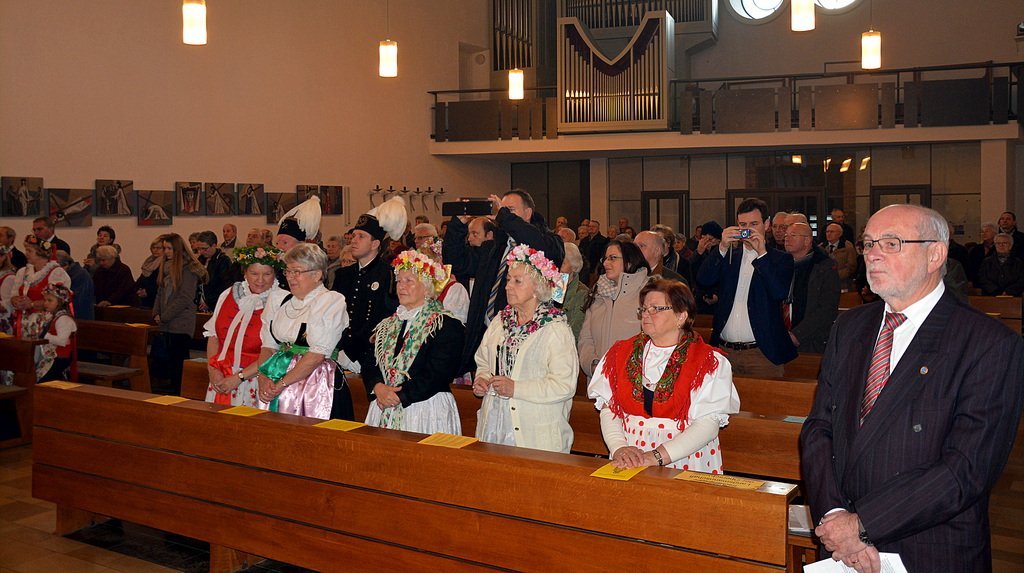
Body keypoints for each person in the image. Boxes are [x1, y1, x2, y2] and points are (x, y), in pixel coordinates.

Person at [800, 204, 1024, 573]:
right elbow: (819, 427)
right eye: (869, 242)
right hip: (840, 541)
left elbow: (966, 469)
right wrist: (836, 515)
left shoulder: (988, 343)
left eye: (891, 243)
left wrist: (864, 526)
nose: (872, 253)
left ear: (935, 253)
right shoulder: (850, 327)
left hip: (928, 545)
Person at [588, 279, 739, 473]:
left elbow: (708, 424)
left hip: (684, 456)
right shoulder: (620, 353)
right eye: (643, 309)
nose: (646, 315)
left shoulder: (708, 361)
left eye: (656, 309)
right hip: (630, 455)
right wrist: (619, 447)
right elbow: (610, 408)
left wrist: (657, 456)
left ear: (681, 316)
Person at [443, 189, 564, 378]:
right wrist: (458, 223)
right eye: (501, 209)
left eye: (510, 209)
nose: (503, 214)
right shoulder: (493, 247)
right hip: (485, 335)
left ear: (528, 213)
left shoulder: (548, 242)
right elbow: (456, 261)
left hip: (523, 338)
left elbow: (545, 249)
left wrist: (503, 216)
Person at [472, 245, 578, 453]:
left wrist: (516, 388)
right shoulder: (500, 321)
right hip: (495, 423)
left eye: (517, 281)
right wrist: (482, 378)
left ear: (537, 288)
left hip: (535, 433)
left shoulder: (555, 329)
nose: (508, 286)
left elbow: (564, 385)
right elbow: (483, 360)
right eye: (509, 280)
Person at [363, 250, 465, 433]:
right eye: (399, 281)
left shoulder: (445, 324)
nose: (401, 286)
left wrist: (399, 396)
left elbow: (438, 373)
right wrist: (377, 386)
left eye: (409, 281)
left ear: (426, 288)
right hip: (383, 401)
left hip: (425, 408)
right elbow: (371, 362)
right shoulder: (388, 324)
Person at [255, 243, 358, 420]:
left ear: (317, 274)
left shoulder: (330, 301)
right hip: (276, 377)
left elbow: (317, 355)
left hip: (314, 382)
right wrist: (263, 376)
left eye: (297, 271)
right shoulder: (280, 300)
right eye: (288, 271)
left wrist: (281, 384)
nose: (291, 277)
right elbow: (269, 346)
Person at [696, 199, 796, 377]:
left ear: (766, 225)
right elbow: (704, 280)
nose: (748, 230)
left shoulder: (780, 259)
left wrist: (762, 254)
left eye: (754, 224)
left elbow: (779, 292)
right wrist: (722, 247)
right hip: (724, 352)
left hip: (761, 353)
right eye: (743, 224)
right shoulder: (729, 256)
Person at [332, 197, 407, 374]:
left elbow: (385, 318)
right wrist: (338, 350)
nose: (354, 241)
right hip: (339, 353)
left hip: (371, 357)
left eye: (361, 236)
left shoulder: (388, 274)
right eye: (354, 236)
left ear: (375, 244)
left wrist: (353, 354)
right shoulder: (343, 274)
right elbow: (334, 314)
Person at [204, 246, 283, 407]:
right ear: (245, 272)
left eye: (267, 274)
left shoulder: (281, 301)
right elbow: (213, 336)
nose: (260, 280)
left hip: (256, 379)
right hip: (221, 376)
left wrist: (238, 377)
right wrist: (213, 370)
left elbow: (276, 350)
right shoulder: (228, 294)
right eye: (254, 273)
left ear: (275, 274)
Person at [578, 241, 650, 379]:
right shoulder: (598, 291)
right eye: (605, 258)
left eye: (612, 258)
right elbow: (585, 337)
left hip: (633, 380)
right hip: (600, 379)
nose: (605, 263)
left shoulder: (648, 292)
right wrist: (592, 365)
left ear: (630, 261)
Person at [153, 233, 208, 395]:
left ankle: (180, 392)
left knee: (179, 362)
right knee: (169, 362)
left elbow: (185, 297)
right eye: (164, 248)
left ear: (178, 249)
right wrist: (156, 312)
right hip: (167, 321)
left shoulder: (188, 269)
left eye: (169, 248)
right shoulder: (166, 266)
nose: (166, 252)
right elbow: (160, 291)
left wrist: (164, 316)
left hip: (181, 322)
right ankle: (170, 390)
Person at [783, 223, 840, 353]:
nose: (787, 238)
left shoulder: (824, 266)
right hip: (781, 337)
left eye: (793, 235)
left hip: (811, 340)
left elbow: (827, 308)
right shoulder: (782, 264)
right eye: (786, 235)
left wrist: (798, 334)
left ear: (807, 240)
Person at [4, 236, 71, 338]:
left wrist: (31, 304)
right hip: (22, 323)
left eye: (29, 251)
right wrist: (16, 300)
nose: (26, 254)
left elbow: (58, 303)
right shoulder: (23, 272)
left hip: (45, 325)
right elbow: (14, 294)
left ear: (41, 253)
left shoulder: (56, 272)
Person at [23, 283, 77, 382]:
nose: (45, 303)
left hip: (60, 356)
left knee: (42, 379)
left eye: (50, 300)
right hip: (50, 354)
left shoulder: (63, 319)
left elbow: (62, 341)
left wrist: (45, 335)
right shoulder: (52, 316)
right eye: (45, 300)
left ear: (60, 302)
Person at [194, 230, 236, 312]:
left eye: (204, 249)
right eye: (199, 249)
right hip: (199, 304)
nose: (201, 252)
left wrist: (209, 303)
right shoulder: (200, 260)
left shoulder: (223, 261)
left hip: (216, 306)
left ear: (214, 245)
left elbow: (226, 287)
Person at [560, 242, 589, 341]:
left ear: (574, 266)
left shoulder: (582, 293)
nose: (557, 267)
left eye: (562, 263)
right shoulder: (552, 288)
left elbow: (576, 329)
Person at [57, 250, 94, 321]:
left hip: (80, 318)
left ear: (66, 265)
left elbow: (76, 299)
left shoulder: (81, 275)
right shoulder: (73, 273)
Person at [822, 222, 858, 292]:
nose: (828, 234)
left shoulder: (847, 246)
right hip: (825, 285)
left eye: (832, 232)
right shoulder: (822, 247)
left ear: (840, 234)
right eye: (827, 231)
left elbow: (851, 266)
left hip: (843, 284)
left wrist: (836, 275)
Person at [135, 238, 165, 308]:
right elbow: (142, 278)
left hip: (157, 300)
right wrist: (138, 289)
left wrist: (148, 291)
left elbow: (160, 282)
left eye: (159, 248)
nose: (155, 250)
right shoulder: (149, 261)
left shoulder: (164, 263)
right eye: (153, 247)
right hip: (145, 299)